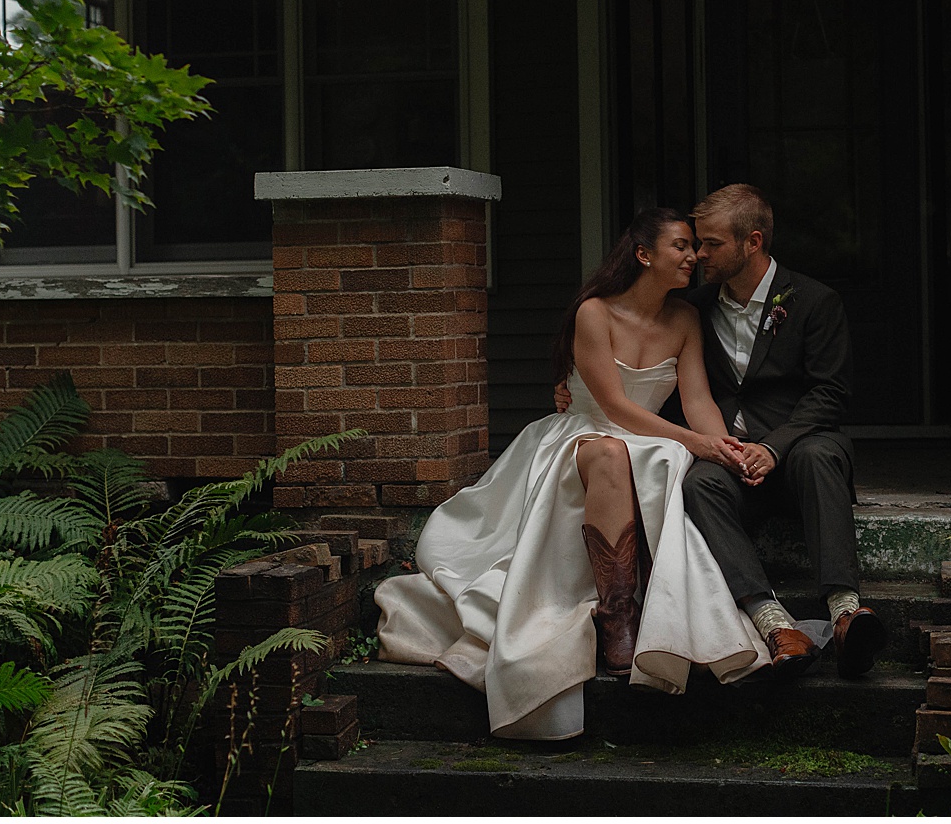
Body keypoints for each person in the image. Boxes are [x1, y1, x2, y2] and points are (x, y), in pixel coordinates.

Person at [372, 208, 771, 741]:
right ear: (644, 254)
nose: (694, 257)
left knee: (662, 459)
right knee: (611, 453)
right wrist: (693, 440)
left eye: (695, 247)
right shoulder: (594, 313)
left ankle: (644, 605)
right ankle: (617, 618)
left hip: (651, 440)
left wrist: (722, 445)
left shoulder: (684, 319)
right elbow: (613, 405)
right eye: (681, 246)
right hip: (582, 434)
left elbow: (696, 400)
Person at [681, 184, 888, 679]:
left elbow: (830, 394)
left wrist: (773, 447)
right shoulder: (695, 306)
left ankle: (844, 610)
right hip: (732, 460)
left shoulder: (815, 301)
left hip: (797, 453)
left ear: (753, 242)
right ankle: (773, 622)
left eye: (712, 244)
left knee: (820, 454)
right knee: (696, 483)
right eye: (697, 242)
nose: (699, 254)